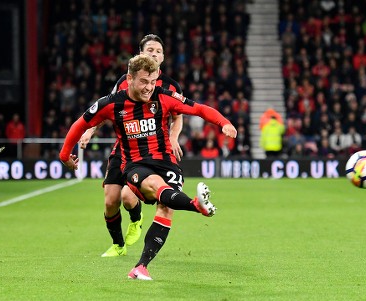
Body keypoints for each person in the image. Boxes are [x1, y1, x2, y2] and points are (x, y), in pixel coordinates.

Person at [60, 54, 237, 280]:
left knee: (166, 208)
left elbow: (199, 109)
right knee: (153, 186)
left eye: (153, 82)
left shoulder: (164, 97)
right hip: (135, 164)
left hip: (166, 162)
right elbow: (80, 124)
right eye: (144, 81)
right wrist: (64, 155)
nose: (149, 88)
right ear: (130, 79)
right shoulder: (111, 103)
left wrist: (225, 123)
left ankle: (141, 266)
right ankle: (196, 205)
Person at [79, 34, 183, 258]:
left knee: (128, 196)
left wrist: (174, 137)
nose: (153, 53)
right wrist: (89, 131)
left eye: (158, 51)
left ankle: (136, 220)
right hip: (125, 146)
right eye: (149, 50)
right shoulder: (126, 81)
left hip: (154, 150)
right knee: (110, 200)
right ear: (140, 55)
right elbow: (105, 107)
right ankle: (118, 245)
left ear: (163, 57)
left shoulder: (171, 86)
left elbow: (179, 115)